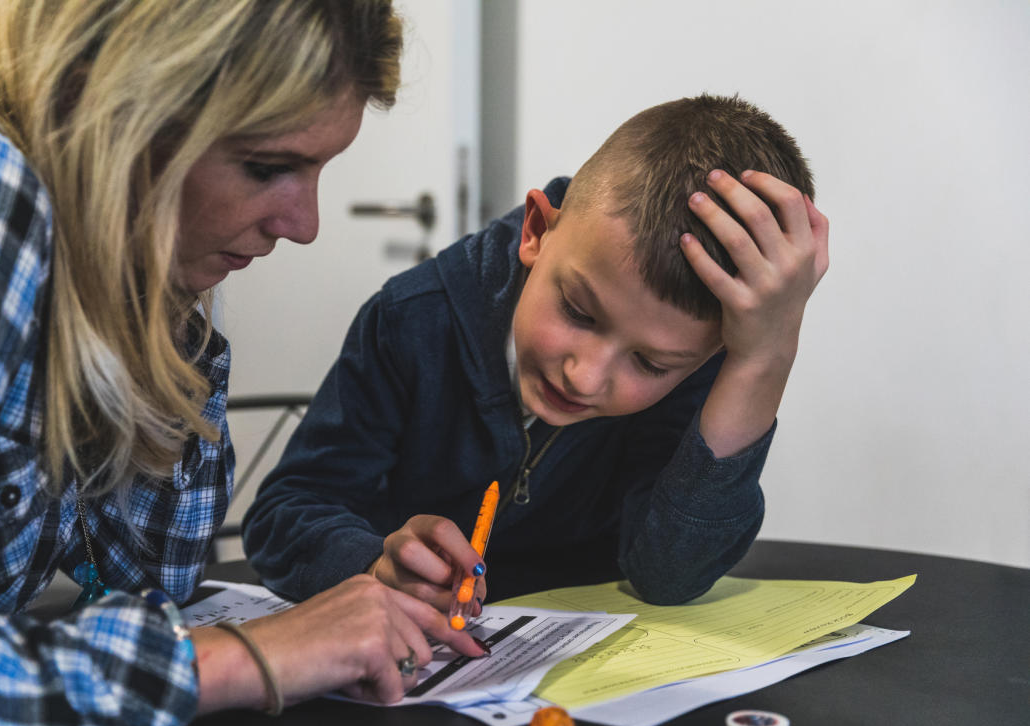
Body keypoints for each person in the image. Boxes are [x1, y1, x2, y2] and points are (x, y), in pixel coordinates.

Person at [0, 0, 485, 726]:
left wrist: (155, 305)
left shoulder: (106, 243)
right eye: (267, 168)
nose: (303, 225)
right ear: (119, 109)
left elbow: (150, 576)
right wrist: (245, 658)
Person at [244, 93, 830, 611]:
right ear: (535, 232)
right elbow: (284, 515)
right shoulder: (413, 318)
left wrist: (761, 360)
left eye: (649, 365)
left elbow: (669, 574)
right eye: (578, 311)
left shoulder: (692, 364)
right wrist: (375, 565)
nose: (585, 375)